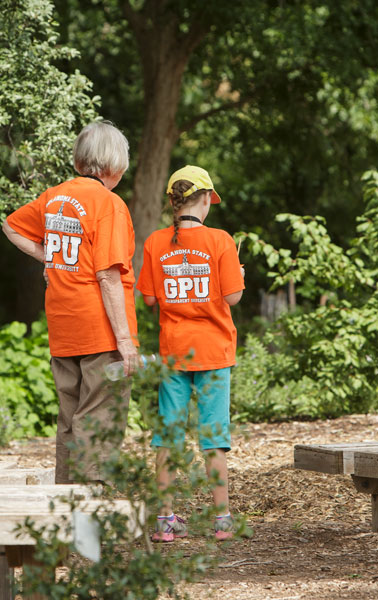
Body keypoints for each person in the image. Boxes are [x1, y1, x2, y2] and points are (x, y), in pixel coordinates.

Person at [2, 121, 139, 484]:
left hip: (64, 330)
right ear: (115, 165)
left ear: (81, 161)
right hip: (101, 333)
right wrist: (125, 342)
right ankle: (89, 521)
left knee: (70, 420)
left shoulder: (56, 197)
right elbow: (108, 276)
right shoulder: (108, 204)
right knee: (99, 419)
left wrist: (49, 257)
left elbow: (11, 227)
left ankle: (64, 513)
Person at [136, 165, 245, 542]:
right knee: (214, 436)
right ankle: (223, 520)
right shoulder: (221, 241)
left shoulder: (155, 242)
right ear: (204, 200)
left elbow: (149, 297)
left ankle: (165, 521)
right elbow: (232, 296)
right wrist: (237, 274)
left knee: (168, 435)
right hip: (214, 352)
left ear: (173, 202)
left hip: (174, 352)